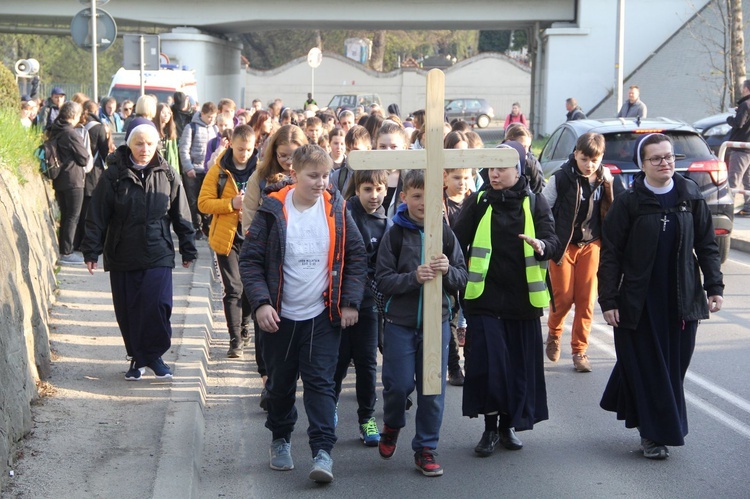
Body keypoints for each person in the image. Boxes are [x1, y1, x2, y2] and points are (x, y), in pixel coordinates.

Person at [239, 144, 367, 483]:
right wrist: (262, 302)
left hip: (322, 317)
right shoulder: (273, 210)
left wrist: (350, 301)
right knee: (280, 386)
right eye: (313, 176)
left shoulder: (337, 209)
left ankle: (322, 452)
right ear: (294, 174)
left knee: (321, 386)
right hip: (280, 318)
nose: (321, 182)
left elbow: (355, 257)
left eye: (326, 176)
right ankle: (280, 438)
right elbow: (250, 261)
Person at [598, 133, 724, 459]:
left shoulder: (690, 194)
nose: (665, 163)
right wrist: (609, 300)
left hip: (682, 300)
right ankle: (654, 435)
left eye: (669, 157)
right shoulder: (629, 203)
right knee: (652, 370)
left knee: (673, 369)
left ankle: (643, 414)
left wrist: (714, 287)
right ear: (643, 164)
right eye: (657, 158)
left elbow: (707, 245)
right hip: (640, 303)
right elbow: (611, 254)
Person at [452, 147, 560, 458]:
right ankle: (489, 428)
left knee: (516, 369)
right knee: (489, 367)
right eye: (490, 169)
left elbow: (552, 242)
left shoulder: (535, 202)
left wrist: (541, 245)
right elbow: (456, 242)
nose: (494, 175)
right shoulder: (480, 201)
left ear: (519, 171)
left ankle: (507, 426)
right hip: (483, 300)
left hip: (522, 303)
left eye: (501, 169)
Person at [81, 120, 197, 380]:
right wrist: (91, 251)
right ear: (129, 144)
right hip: (123, 251)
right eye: (139, 143)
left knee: (158, 304)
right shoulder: (113, 174)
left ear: (157, 144)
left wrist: (188, 248)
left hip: (158, 250)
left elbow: (182, 214)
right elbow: (97, 214)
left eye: (149, 143)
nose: (144, 148)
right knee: (129, 309)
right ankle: (137, 358)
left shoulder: (167, 174)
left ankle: (154, 354)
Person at [375, 169, 468, 477]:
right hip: (400, 323)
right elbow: (383, 280)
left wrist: (447, 271)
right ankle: (393, 424)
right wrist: (413, 278)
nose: (422, 203)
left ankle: (426, 448)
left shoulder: (444, 232)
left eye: (428, 197)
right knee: (398, 385)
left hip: (436, 322)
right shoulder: (395, 234)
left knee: (432, 390)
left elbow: (462, 276)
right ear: (404, 198)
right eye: (416, 196)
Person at [241, 124, 307, 409]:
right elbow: (249, 221)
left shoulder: (310, 176)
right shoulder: (259, 177)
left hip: (304, 262)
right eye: (282, 156)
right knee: (266, 323)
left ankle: (289, 381)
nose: (289, 162)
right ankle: (268, 381)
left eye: (294, 156)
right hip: (269, 261)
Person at [542, 133, 620, 372]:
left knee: (586, 301)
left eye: (594, 160)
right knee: (563, 297)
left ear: (601, 158)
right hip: (564, 245)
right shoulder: (561, 179)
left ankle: (579, 352)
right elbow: (543, 211)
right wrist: (548, 242)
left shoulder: (605, 178)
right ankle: (554, 334)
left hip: (592, 244)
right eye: (584, 158)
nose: (589, 165)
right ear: (575, 154)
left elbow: (614, 208)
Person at [333, 169, 390, 448]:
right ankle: (327, 409)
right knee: (338, 362)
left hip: (369, 307)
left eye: (379, 189)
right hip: (341, 303)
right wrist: (347, 302)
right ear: (356, 190)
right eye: (368, 189)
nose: (374, 195)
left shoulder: (386, 223)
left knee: (367, 364)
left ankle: (367, 418)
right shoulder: (344, 216)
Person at [198, 125, 258, 358]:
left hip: (253, 237)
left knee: (249, 289)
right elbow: (203, 203)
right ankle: (235, 340)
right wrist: (230, 205)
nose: (244, 154)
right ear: (231, 144)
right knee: (233, 288)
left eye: (249, 149)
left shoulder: (260, 171)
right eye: (240, 148)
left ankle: (244, 327)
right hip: (227, 237)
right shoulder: (219, 171)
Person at [47, 101, 90, 265]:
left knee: (66, 215)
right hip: (73, 179)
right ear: (73, 116)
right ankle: (67, 252)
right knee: (73, 216)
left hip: (59, 178)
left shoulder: (55, 129)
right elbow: (84, 157)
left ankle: (63, 249)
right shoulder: (70, 133)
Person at [74, 99, 112, 252]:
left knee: (78, 211)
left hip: (77, 172)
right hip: (94, 173)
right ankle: (90, 243)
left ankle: (76, 242)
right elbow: (104, 153)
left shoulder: (77, 126)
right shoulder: (99, 128)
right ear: (96, 111)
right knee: (93, 211)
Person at [179, 101, 218, 238]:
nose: (211, 120)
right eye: (209, 117)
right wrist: (188, 167)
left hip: (208, 170)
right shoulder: (191, 128)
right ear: (202, 114)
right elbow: (184, 149)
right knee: (193, 200)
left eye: (213, 117)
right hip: (194, 170)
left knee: (206, 199)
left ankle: (207, 226)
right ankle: (197, 227)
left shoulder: (215, 129)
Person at [727, 79, 750, 217]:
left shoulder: (745, 104)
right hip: (749, 146)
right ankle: (748, 208)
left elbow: (738, 124)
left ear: (747, 88)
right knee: (748, 180)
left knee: (733, 180)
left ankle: (727, 208)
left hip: (740, 147)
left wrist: (729, 118)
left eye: (743, 88)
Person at [503, 124, 545, 194]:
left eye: (528, 147)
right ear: (509, 142)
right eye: (523, 146)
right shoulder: (495, 159)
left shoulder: (531, 162)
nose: (526, 151)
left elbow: (541, 188)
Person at [154, 103, 180, 173]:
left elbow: (175, 154)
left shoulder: (171, 131)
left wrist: (176, 172)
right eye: (163, 113)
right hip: (157, 168)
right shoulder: (153, 130)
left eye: (169, 113)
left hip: (170, 168)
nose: (166, 115)